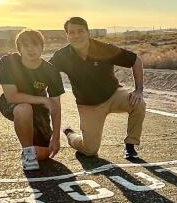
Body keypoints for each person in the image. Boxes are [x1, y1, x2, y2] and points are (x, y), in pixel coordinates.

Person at [50, 16, 145, 159]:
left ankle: (130, 145)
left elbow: (136, 60)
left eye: (80, 31)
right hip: (88, 105)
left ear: (88, 33)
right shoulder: (61, 56)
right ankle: (70, 134)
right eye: (72, 32)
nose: (77, 36)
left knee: (139, 103)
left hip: (113, 95)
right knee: (90, 150)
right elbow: (45, 71)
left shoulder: (103, 49)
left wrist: (138, 90)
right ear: (67, 36)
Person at [0, 28, 64, 172]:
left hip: (38, 106)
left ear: (42, 47)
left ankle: (33, 148)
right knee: (24, 108)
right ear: (19, 48)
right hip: (12, 103)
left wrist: (56, 137)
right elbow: (12, 96)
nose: (30, 49)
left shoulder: (51, 71)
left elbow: (55, 106)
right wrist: (43, 101)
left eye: (35, 45)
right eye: (25, 45)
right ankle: (28, 153)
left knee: (45, 153)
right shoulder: (9, 62)